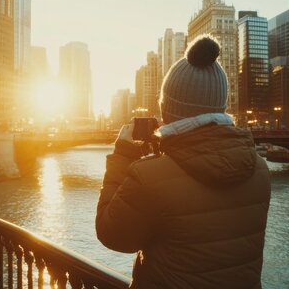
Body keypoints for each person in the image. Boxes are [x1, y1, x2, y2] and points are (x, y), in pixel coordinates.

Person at [95, 36, 271, 288]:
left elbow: (113, 235)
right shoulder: (259, 168)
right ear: (221, 106)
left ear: (167, 108)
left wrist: (121, 157)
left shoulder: (150, 177)